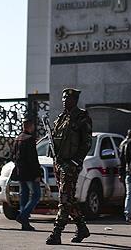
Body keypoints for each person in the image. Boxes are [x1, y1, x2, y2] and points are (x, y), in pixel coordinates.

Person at [46, 88, 93, 246]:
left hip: (70, 165)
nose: (65, 101)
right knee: (69, 199)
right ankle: (82, 228)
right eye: (63, 98)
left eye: (69, 98)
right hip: (59, 163)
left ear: (75, 100)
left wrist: (75, 161)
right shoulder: (60, 118)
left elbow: (87, 143)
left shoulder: (82, 117)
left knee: (64, 199)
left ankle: (57, 232)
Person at [12, 114, 41, 231]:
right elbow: (33, 159)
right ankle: (23, 216)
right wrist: (37, 174)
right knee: (36, 195)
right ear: (30, 126)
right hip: (30, 173)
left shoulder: (17, 139)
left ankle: (25, 223)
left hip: (20, 172)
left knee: (24, 195)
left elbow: (13, 156)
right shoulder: (29, 139)